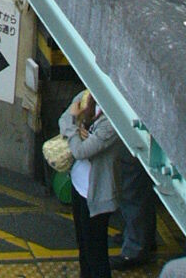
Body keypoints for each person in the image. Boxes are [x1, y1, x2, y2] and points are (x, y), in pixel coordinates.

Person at [59, 89, 121, 278]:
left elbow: (80, 151)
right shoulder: (87, 95)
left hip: (96, 195)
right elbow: (63, 119)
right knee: (83, 246)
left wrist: (73, 127)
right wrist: (76, 131)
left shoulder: (111, 122)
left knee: (96, 253)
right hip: (78, 185)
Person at [115, 151, 158, 268]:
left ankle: (134, 250)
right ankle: (144, 238)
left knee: (132, 193)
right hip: (143, 149)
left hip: (136, 149)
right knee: (140, 191)